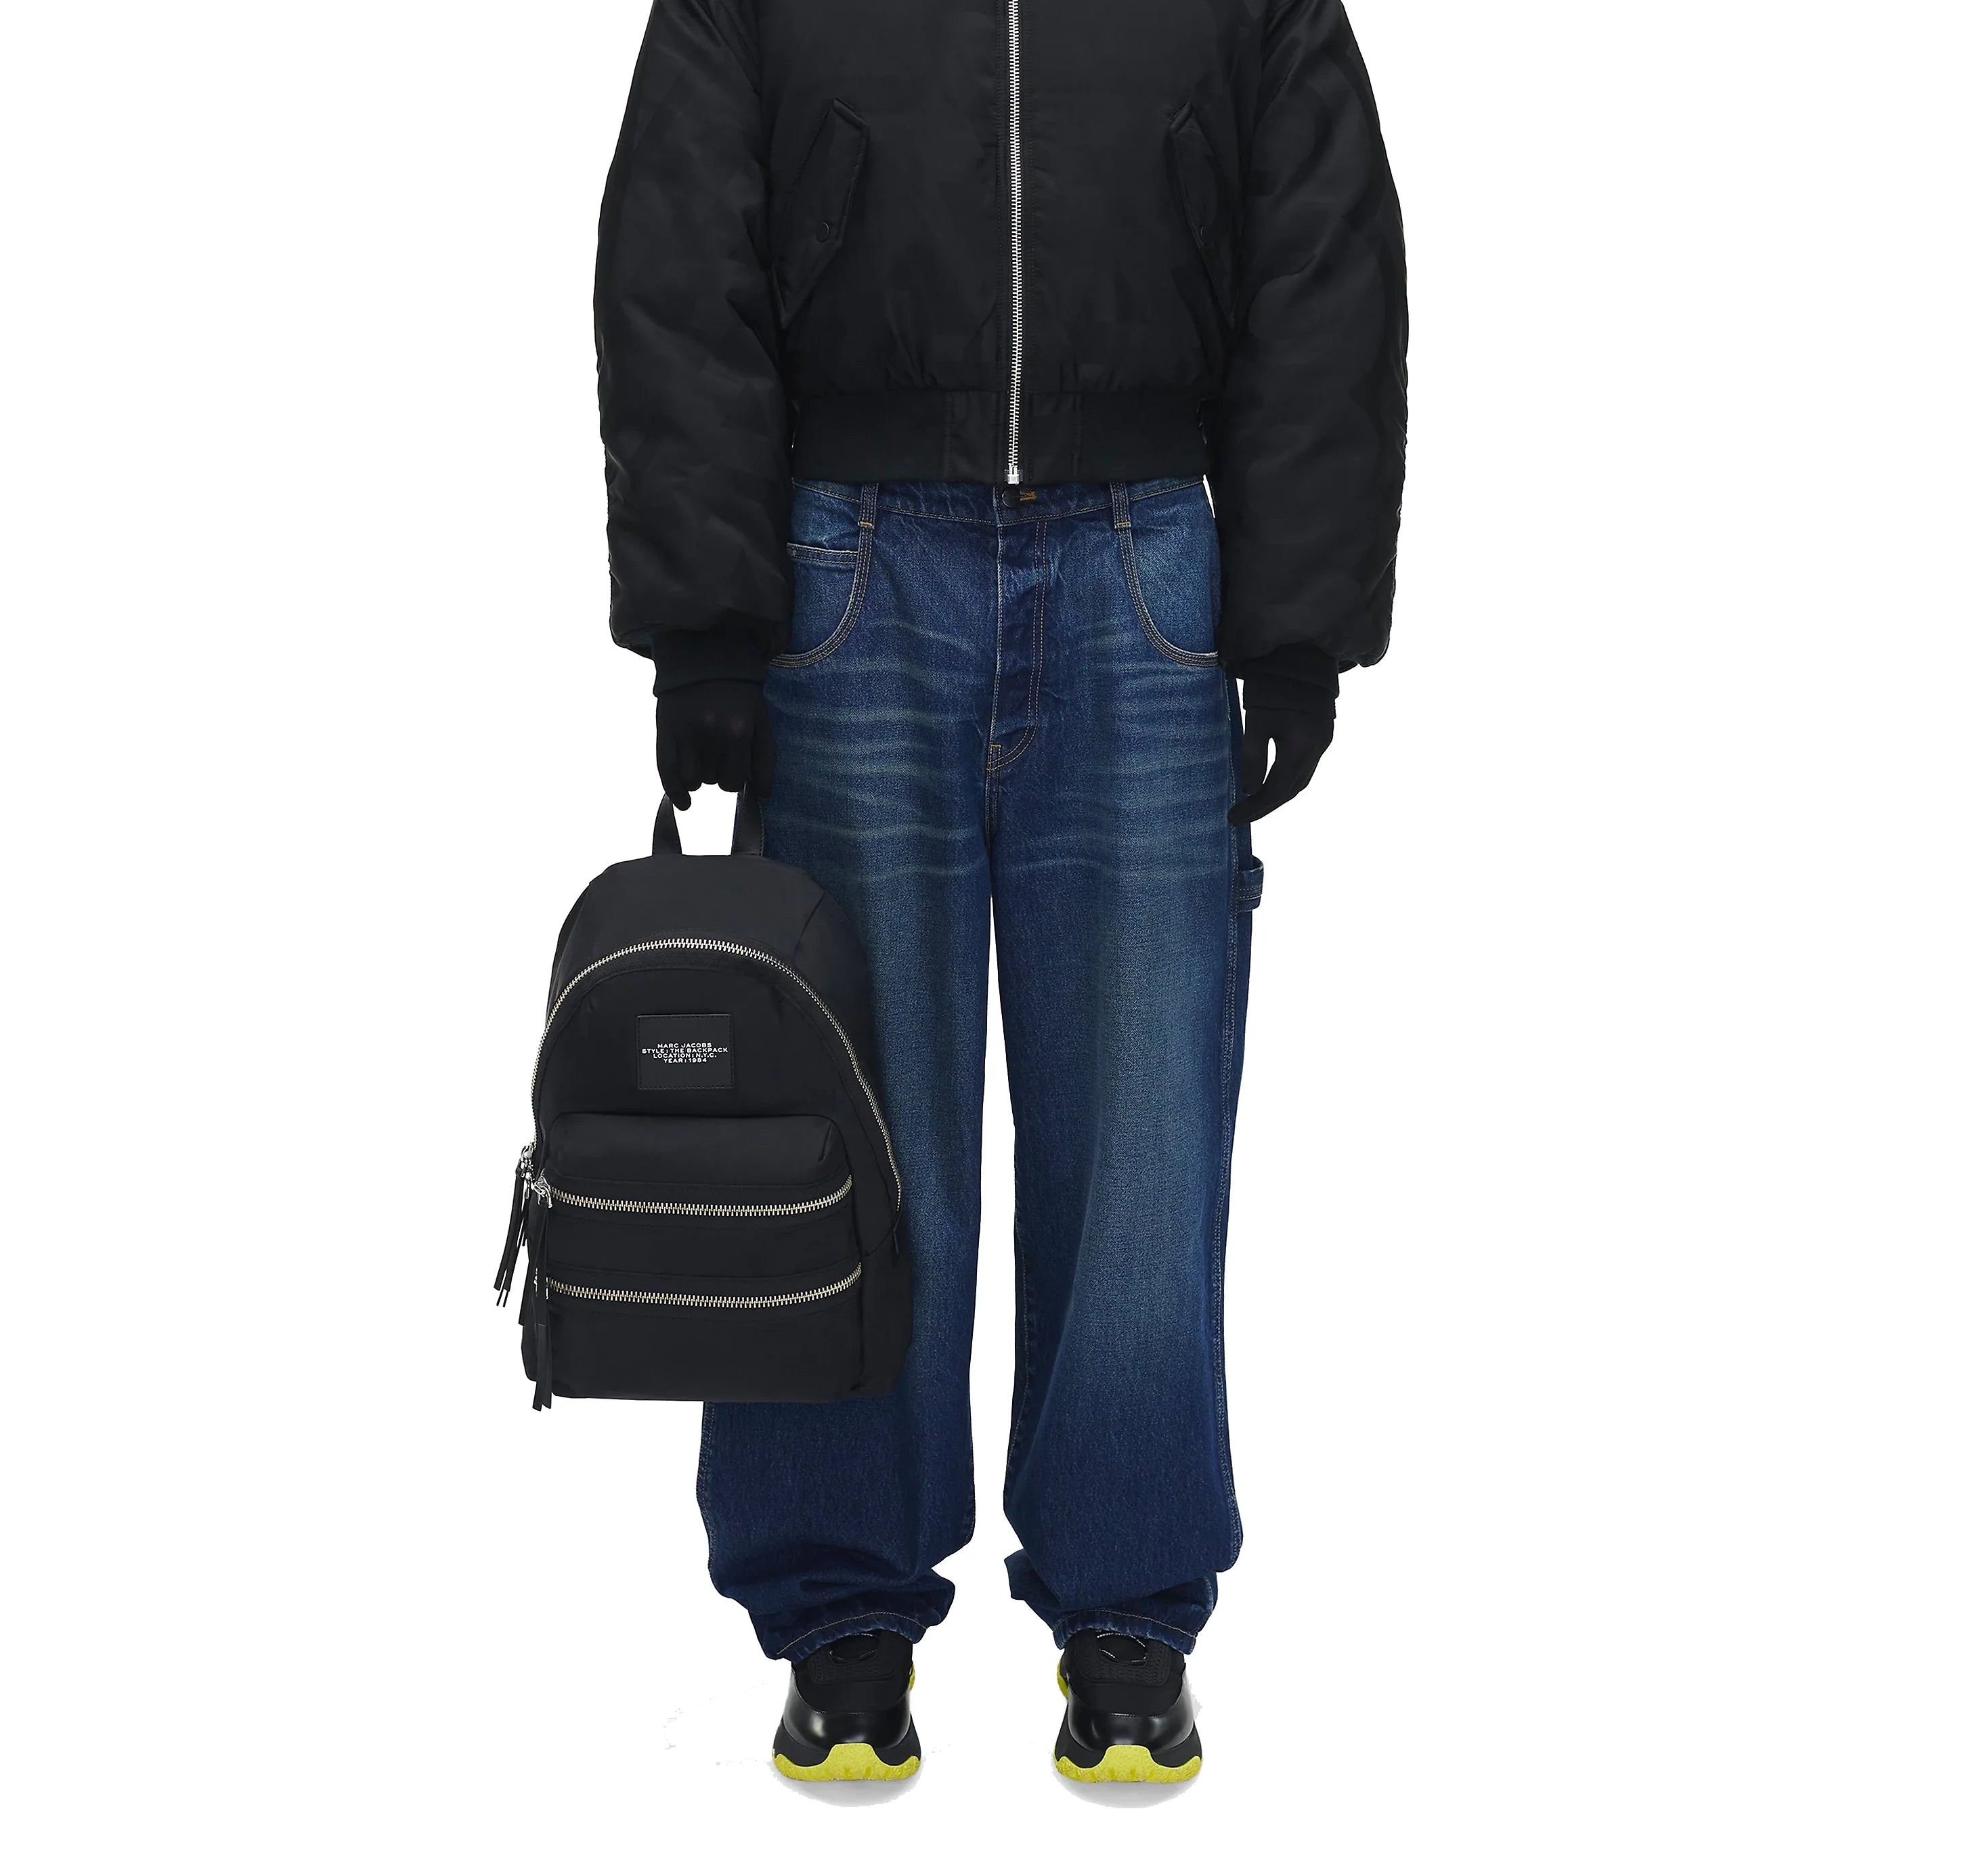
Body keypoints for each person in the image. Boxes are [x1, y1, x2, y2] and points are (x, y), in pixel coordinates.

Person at [594, 0, 1406, 1783]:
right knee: (849, 1120)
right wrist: (707, 620)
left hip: (1147, 559)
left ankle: (1126, 1608)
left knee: (1143, 1111)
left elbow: (1320, 253)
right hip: (846, 561)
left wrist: (1297, 618)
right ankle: (841, 1608)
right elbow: (680, 250)